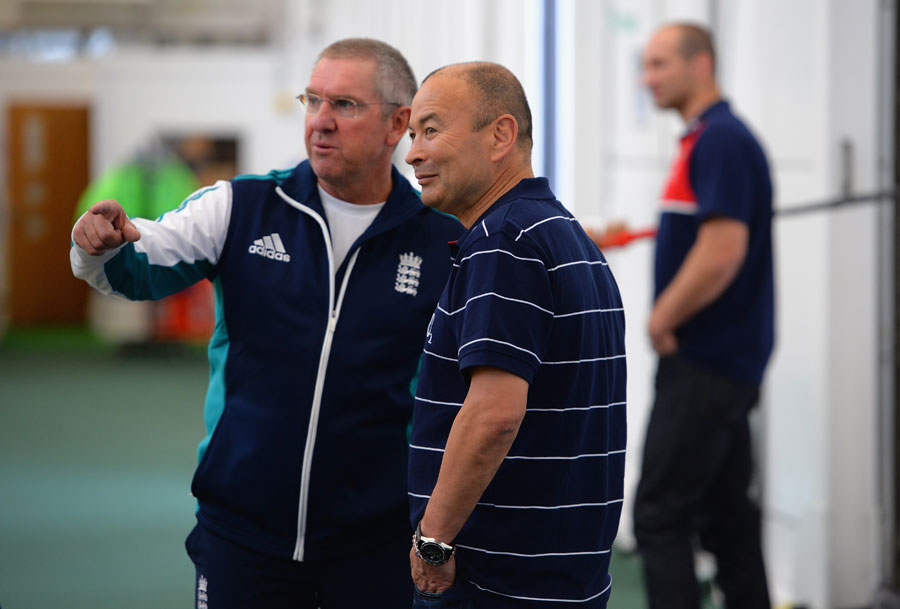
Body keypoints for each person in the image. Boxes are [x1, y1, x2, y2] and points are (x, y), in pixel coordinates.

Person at [70, 38, 462, 609]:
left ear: (397, 123)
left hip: (377, 542)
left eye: (345, 105)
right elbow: (136, 262)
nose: (321, 122)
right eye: (312, 100)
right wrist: (99, 246)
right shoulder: (241, 207)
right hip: (242, 534)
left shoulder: (440, 240)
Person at [405, 62, 627, 608]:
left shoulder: (503, 242)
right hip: (562, 576)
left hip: (497, 581)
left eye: (431, 130)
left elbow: (494, 414)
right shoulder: (564, 235)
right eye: (412, 135)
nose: (412, 153)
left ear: (501, 135)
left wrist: (433, 540)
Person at [631, 23, 774, 609]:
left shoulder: (720, 140)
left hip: (705, 363)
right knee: (727, 520)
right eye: (646, 65)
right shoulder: (704, 140)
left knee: (660, 517)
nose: (648, 78)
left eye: (662, 64)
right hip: (722, 364)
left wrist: (661, 318)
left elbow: (722, 250)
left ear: (702, 65)